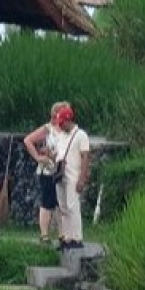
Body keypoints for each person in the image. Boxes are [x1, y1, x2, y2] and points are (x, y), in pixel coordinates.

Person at [40, 103, 89, 250]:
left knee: (73, 206)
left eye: (62, 123)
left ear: (68, 120)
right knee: (63, 207)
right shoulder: (62, 136)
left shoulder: (80, 135)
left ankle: (77, 237)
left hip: (73, 175)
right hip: (61, 175)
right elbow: (58, 154)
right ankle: (66, 237)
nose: (60, 126)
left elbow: (85, 157)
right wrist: (49, 154)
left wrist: (82, 178)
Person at [22, 106, 64, 245]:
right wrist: (38, 157)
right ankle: (44, 234)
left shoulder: (67, 129)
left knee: (60, 202)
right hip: (48, 169)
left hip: (62, 169)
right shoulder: (48, 128)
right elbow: (28, 140)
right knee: (47, 201)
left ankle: (62, 233)